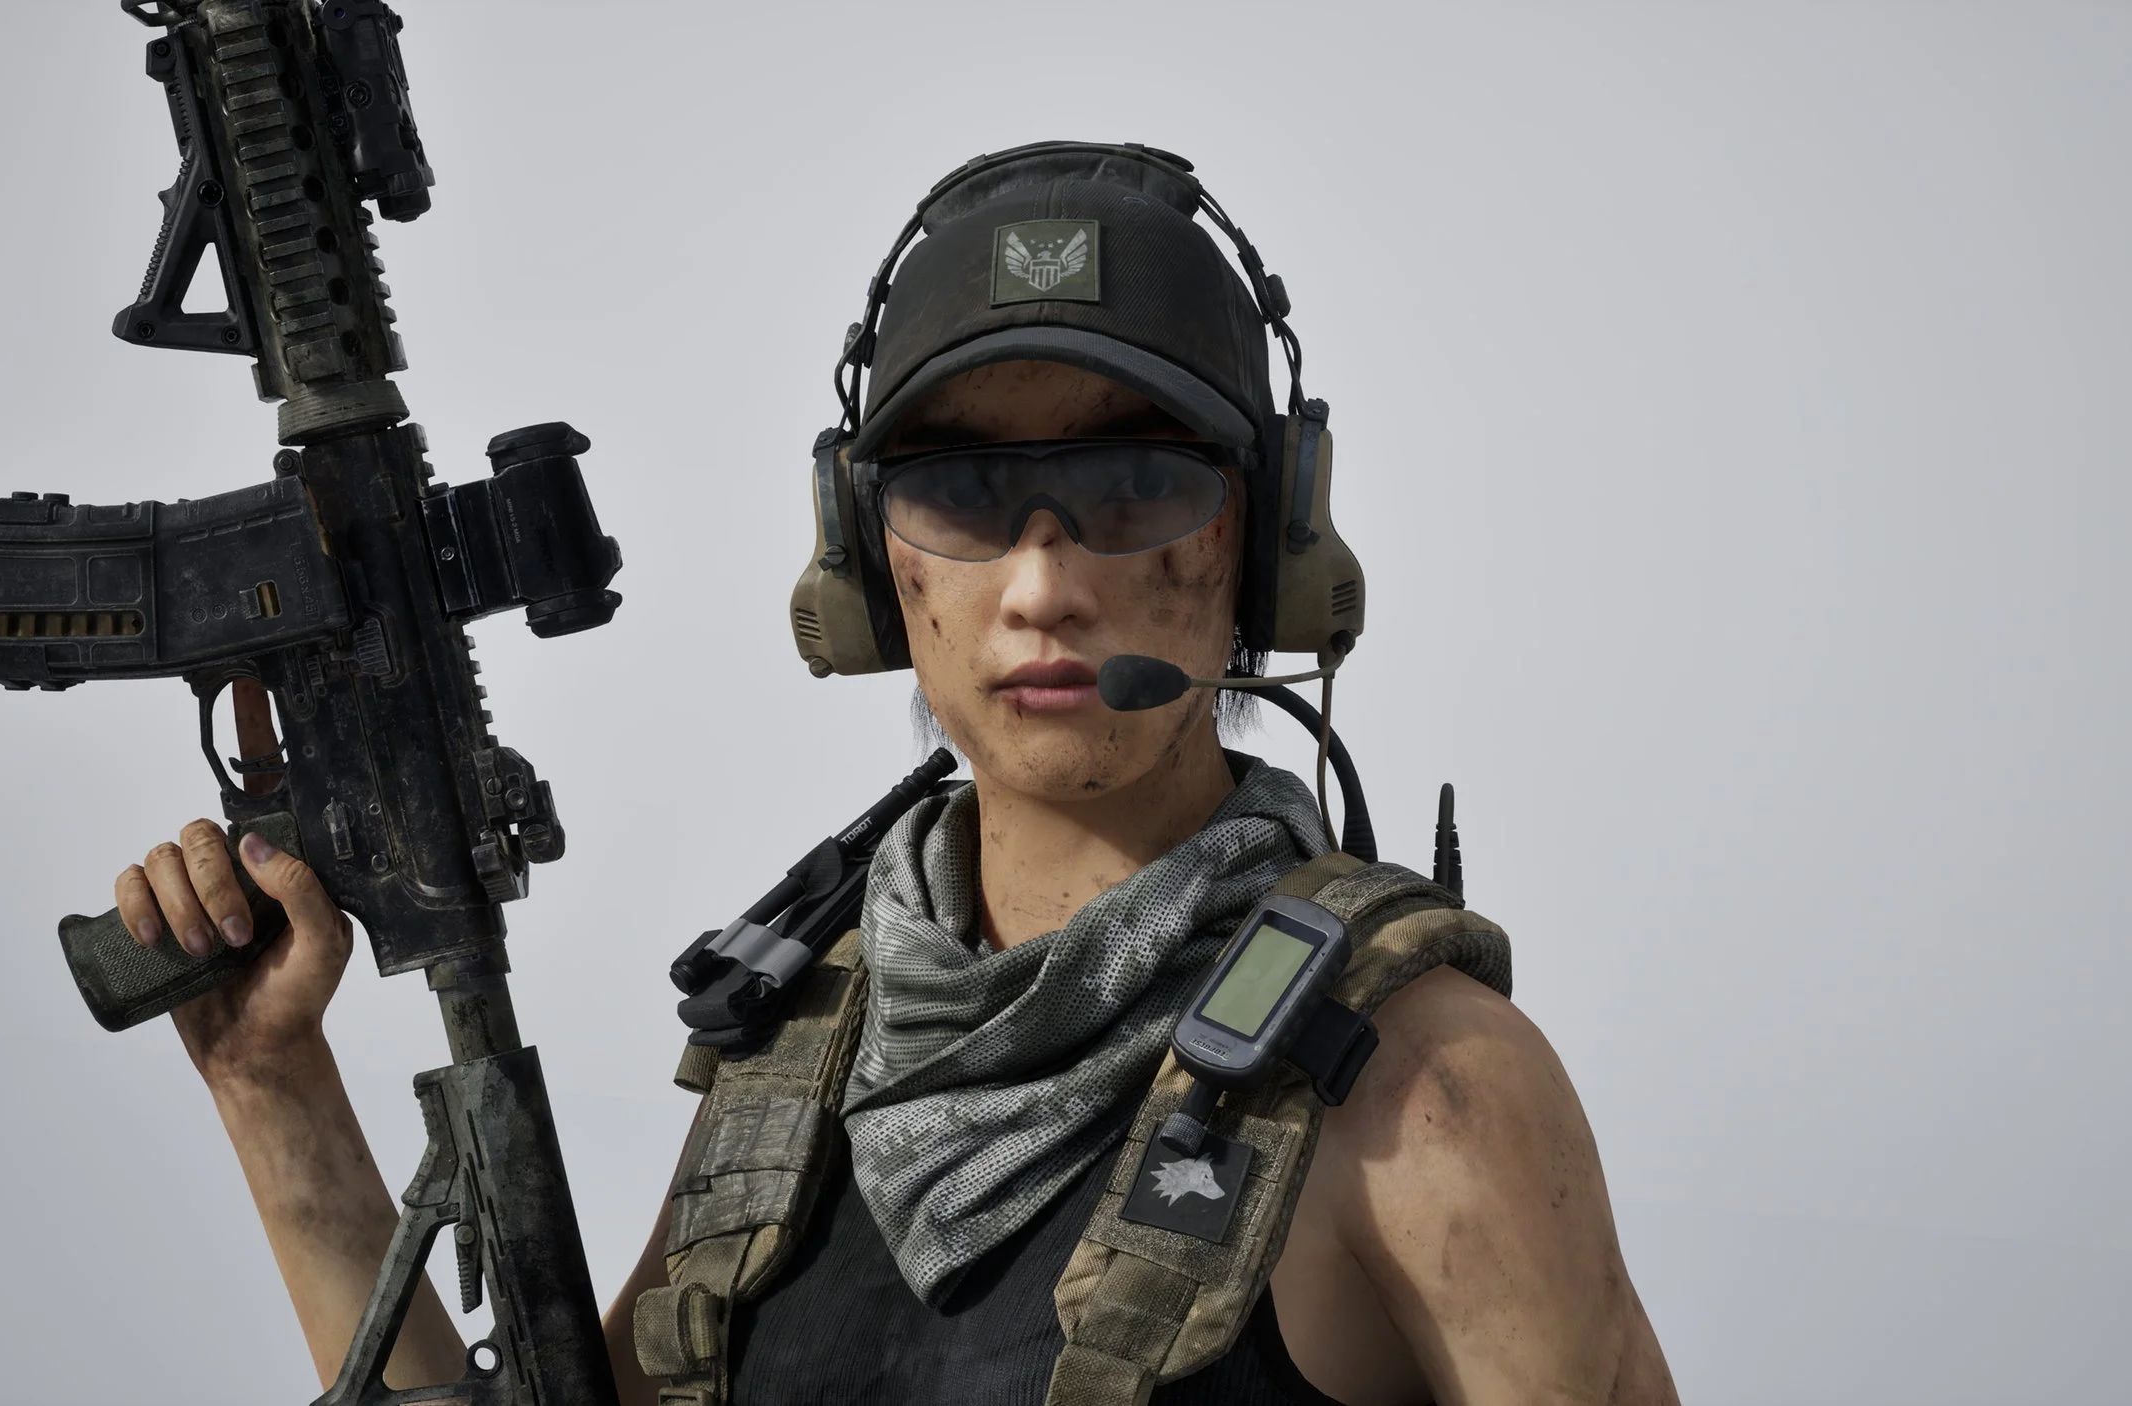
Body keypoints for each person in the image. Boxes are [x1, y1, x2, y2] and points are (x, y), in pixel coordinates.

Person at [116, 143, 1677, 1406]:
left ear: (1259, 549)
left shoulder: (1425, 1096)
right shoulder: (794, 1059)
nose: (1045, 585)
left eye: (1138, 482)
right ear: (874, 569)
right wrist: (273, 1084)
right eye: (964, 491)